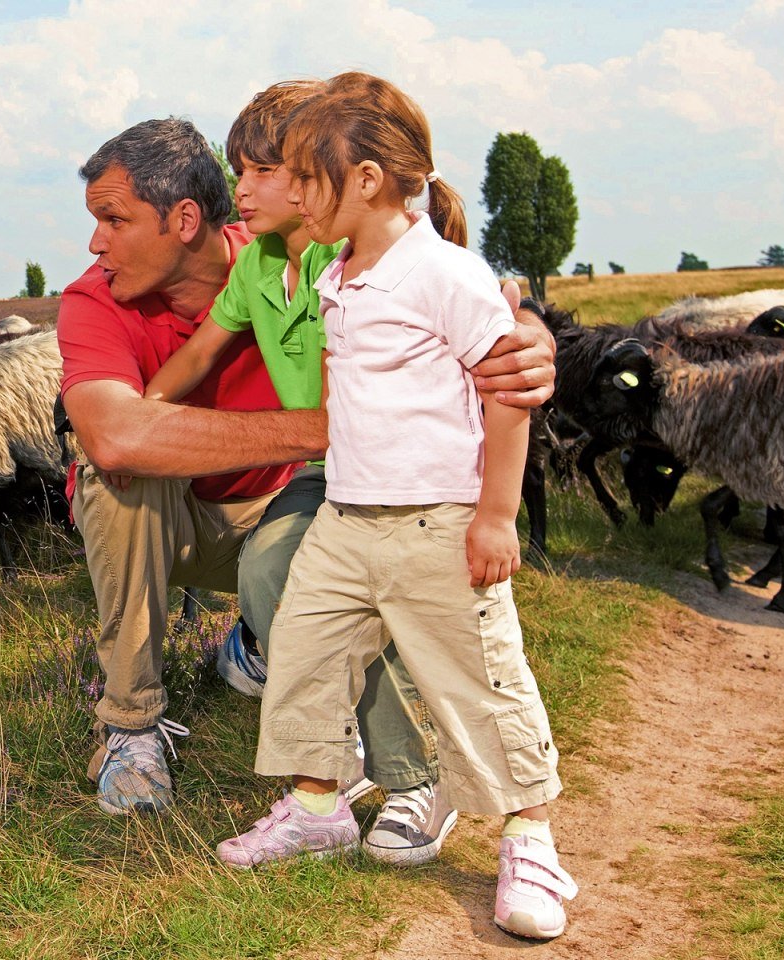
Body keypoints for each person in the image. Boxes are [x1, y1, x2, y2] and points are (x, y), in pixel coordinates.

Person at [59, 116, 557, 825]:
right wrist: (335, 426)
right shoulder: (94, 300)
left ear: (184, 219)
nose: (94, 243)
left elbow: (437, 279)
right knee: (112, 476)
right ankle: (132, 727)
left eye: (113, 219)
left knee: (311, 551)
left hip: (302, 503)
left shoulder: (307, 251)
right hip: (187, 522)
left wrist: (529, 335)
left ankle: (387, 759)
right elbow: (113, 436)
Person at [208, 72, 577, 941]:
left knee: (479, 680)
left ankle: (529, 840)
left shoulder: (447, 274)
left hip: (437, 522)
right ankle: (317, 808)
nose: (293, 193)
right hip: (347, 517)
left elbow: (507, 394)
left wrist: (495, 515)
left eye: (305, 175)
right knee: (303, 656)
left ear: (365, 179)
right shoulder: (335, 273)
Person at [143, 80, 454, 867]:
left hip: (402, 472)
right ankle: (337, 755)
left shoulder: (340, 253)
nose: (238, 190)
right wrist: (138, 413)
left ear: (318, 174)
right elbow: (196, 356)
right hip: (326, 471)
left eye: (261, 172)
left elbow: (444, 281)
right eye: (236, 171)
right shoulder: (257, 272)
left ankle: (418, 777)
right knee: (270, 569)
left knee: (351, 583)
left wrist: (528, 334)